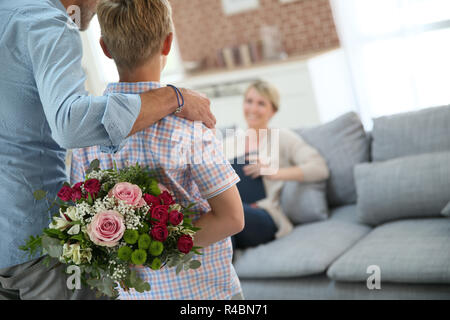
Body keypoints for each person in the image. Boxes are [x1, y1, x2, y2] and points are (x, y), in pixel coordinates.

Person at [0, 0, 216, 300]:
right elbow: (70, 124)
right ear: (168, 42)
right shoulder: (46, 22)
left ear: (104, 47)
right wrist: (172, 97)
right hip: (38, 245)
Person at [70, 0, 245, 300]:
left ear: (104, 48)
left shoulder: (87, 132)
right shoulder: (190, 127)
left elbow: (79, 223)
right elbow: (231, 218)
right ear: (168, 43)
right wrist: (155, 248)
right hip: (204, 294)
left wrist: (128, 248)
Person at [230, 81, 330, 249]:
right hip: (234, 213)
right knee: (217, 216)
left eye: (261, 103)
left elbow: (319, 168)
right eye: (249, 101)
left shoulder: (282, 137)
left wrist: (274, 172)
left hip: (266, 215)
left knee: (228, 214)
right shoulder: (229, 143)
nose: (253, 109)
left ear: (273, 111)